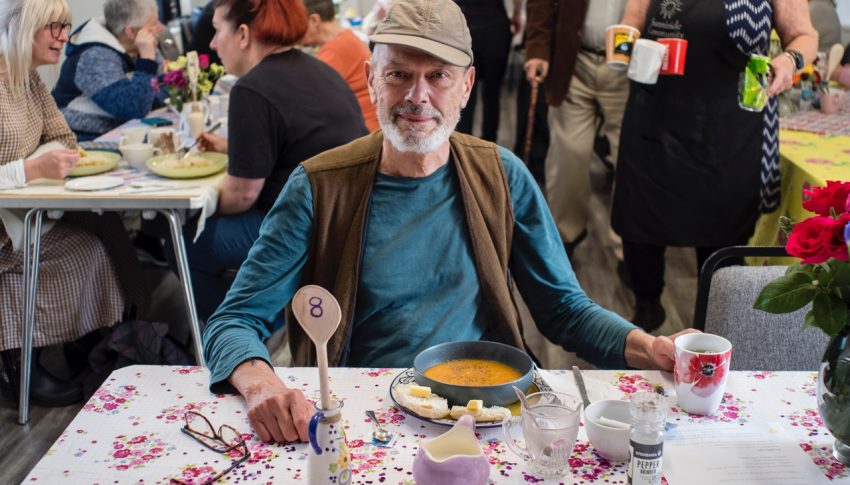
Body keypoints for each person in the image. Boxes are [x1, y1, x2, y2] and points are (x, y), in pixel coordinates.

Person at [202, 0, 692, 444]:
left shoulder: (502, 175)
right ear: (372, 78)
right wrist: (261, 384)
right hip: (362, 415)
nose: (418, 96)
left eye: (438, 76)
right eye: (398, 75)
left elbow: (562, 308)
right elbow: (235, 319)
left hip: (485, 412)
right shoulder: (318, 185)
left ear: (467, 86)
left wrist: (650, 348)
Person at [611, 0, 818, 330]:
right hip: (655, 116)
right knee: (640, 222)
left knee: (721, 232)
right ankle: (647, 304)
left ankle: (717, 325)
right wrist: (629, 47)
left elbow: (805, 36)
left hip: (727, 127)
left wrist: (788, 60)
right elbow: (631, 23)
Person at [188, 0, 367, 320]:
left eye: (217, 31)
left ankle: (236, 333)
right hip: (348, 218)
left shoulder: (252, 89)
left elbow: (242, 196)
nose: (213, 43)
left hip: (305, 228)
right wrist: (234, 149)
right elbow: (296, 142)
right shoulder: (319, 70)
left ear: (243, 34)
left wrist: (203, 205)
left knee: (190, 244)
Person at [0, 0, 126, 406]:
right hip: (6, 226)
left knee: (95, 235)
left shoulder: (30, 81)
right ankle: (20, 365)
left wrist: (41, 160)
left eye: (65, 26)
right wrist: (32, 169)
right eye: (52, 26)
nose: (63, 36)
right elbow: (43, 157)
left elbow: (65, 138)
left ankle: (95, 346)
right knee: (82, 246)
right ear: (21, 27)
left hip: (14, 216)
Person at [524, 0, 629, 259]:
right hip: (575, 60)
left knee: (628, 158)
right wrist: (537, 47)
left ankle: (628, 248)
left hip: (629, 68)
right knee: (568, 153)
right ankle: (565, 235)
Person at [52, 0, 165, 141]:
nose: (161, 27)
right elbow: (134, 108)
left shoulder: (142, 45)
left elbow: (166, 88)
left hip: (122, 132)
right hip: (82, 139)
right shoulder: (95, 56)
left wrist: (149, 97)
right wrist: (147, 59)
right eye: (153, 24)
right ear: (131, 32)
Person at [300, 0, 378, 131]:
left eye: (298, 24)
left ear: (314, 21)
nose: (295, 31)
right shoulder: (346, 37)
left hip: (361, 132)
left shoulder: (334, 50)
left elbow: (306, 100)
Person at [453, 0, 522, 142]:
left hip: (462, 23)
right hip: (494, 25)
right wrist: (516, 13)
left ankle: (461, 143)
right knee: (492, 93)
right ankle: (488, 144)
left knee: (463, 90)